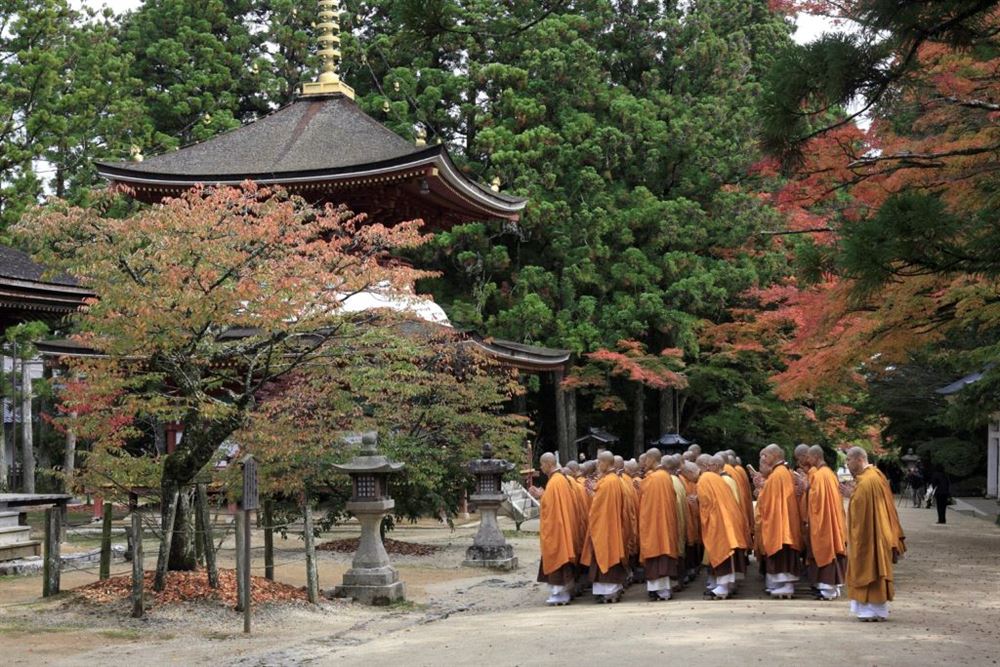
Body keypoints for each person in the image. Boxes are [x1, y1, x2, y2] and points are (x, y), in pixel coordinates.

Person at [845, 447, 896, 622]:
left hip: (867, 535)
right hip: (879, 533)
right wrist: (852, 494)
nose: (847, 463)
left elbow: (859, 513)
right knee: (876, 566)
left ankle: (868, 609)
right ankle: (877, 610)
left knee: (866, 565)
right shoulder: (876, 475)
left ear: (859, 460)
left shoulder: (866, 482)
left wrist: (852, 497)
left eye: (848, 459)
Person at [530, 453, 582, 605]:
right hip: (562, 526)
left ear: (548, 464)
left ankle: (559, 593)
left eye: (542, 464)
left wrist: (541, 496)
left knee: (557, 555)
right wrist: (543, 495)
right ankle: (563, 591)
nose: (541, 467)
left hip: (557, 529)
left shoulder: (554, 482)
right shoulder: (561, 479)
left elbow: (551, 507)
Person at [695, 454, 749, 599]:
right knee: (726, 551)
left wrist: (698, 503)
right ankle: (725, 585)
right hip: (729, 518)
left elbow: (706, 502)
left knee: (722, 550)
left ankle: (724, 586)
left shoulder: (706, 479)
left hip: (720, 521)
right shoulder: (718, 479)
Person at [579, 451, 628, 603]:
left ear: (607, 463)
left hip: (605, 528)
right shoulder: (612, 480)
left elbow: (598, 509)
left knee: (605, 555)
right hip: (610, 526)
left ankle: (608, 591)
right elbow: (602, 501)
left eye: (600, 462)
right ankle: (612, 589)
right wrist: (594, 491)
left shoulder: (608, 482)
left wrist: (594, 494)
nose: (598, 465)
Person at [757, 444, 803, 599]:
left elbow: (769, 500)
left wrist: (761, 490)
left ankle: (786, 584)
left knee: (783, 552)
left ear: (776, 455)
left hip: (781, 522)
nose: (763, 458)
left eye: (766, 455)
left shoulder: (778, 474)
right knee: (784, 553)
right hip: (784, 521)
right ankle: (782, 584)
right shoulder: (781, 472)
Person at [638, 448, 682, 600]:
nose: (644, 463)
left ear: (651, 459)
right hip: (664, 523)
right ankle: (664, 590)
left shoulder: (654, 478)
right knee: (663, 553)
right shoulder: (665, 476)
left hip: (655, 524)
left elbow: (646, 502)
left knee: (657, 553)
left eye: (646, 460)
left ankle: (660, 591)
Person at [805, 445, 847, 600]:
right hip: (832, 518)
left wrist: (806, 488)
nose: (807, 460)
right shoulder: (828, 473)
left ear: (816, 457)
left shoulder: (820, 475)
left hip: (824, 521)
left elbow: (817, 500)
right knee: (832, 550)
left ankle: (827, 589)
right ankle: (832, 589)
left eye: (809, 457)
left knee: (825, 550)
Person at [679, 461, 703, 583]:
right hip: (687, 521)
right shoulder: (681, 480)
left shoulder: (695, 481)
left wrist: (697, 498)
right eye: (695, 473)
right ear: (688, 472)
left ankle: (692, 568)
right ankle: (690, 569)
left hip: (692, 520)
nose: (698, 476)